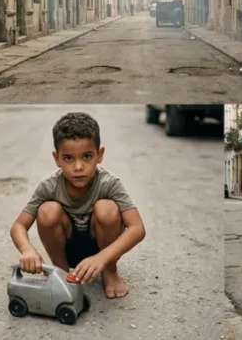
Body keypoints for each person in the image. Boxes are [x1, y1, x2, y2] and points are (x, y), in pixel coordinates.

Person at [10, 112, 146, 299]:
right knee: (47, 210)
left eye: (87, 156)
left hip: (102, 252)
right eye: (68, 158)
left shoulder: (109, 183)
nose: (78, 167)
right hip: (67, 248)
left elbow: (137, 228)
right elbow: (18, 226)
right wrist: (27, 250)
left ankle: (110, 272)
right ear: (57, 158)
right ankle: (61, 273)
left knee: (107, 209)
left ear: (100, 155)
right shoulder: (49, 185)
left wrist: (103, 258)